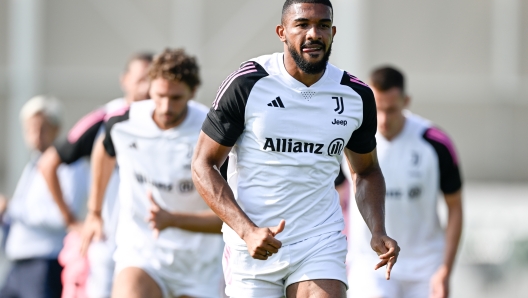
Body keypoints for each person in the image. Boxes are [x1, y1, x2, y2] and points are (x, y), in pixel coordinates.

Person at [191, 1, 400, 297]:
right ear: (282, 32)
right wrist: (247, 230)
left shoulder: (356, 95)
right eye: (302, 24)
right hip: (252, 246)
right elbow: (203, 164)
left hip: (319, 241)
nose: (314, 33)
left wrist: (377, 230)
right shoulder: (248, 83)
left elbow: (366, 170)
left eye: (323, 25)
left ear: (333, 32)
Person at [83, 48, 224, 298]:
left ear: (193, 92)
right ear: (150, 88)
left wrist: (172, 219)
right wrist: (94, 212)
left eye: (176, 97)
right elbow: (103, 151)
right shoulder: (123, 122)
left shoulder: (213, 132)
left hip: (199, 265)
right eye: (159, 95)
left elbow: (227, 217)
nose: (166, 106)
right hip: (141, 253)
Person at [38, 52, 153, 298]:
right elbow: (48, 163)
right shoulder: (105, 118)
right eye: (141, 78)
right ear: (125, 79)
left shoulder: (164, 120)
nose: (147, 86)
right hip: (107, 240)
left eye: (152, 79)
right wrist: (71, 220)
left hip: (150, 240)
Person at [346, 66, 463, 298]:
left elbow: (455, 208)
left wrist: (445, 270)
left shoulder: (435, 143)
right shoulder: (351, 138)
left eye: (391, 110)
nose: (383, 119)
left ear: (405, 101)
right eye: (377, 109)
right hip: (371, 266)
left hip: (425, 268)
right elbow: (338, 199)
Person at [0, 95, 89, 298]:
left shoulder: (69, 165)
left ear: (56, 129)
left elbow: (62, 217)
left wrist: (11, 208)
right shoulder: (32, 164)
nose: (36, 134)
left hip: (45, 262)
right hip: (18, 264)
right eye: (31, 128)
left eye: (43, 127)